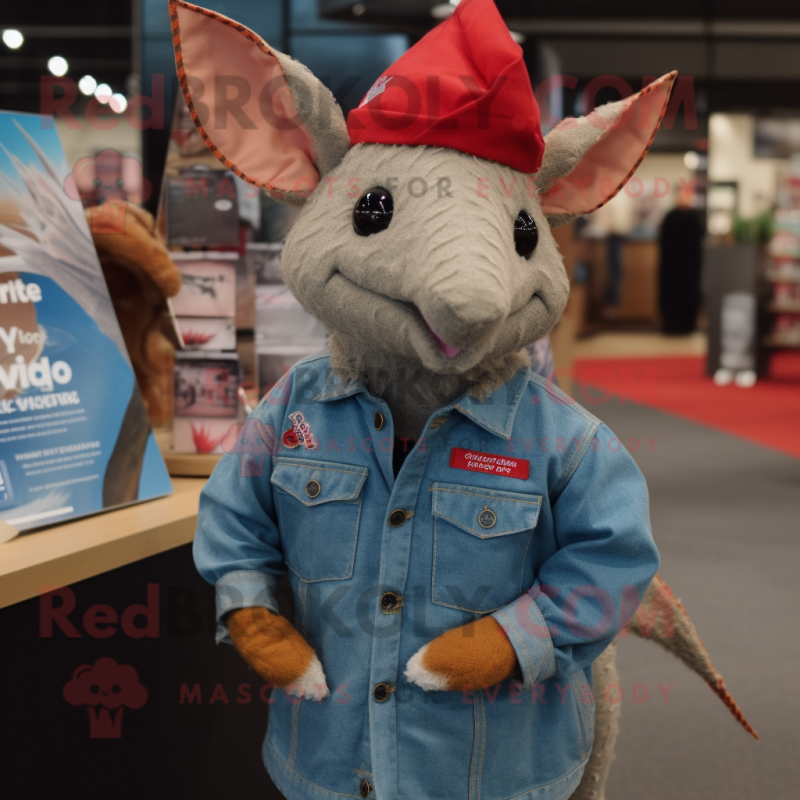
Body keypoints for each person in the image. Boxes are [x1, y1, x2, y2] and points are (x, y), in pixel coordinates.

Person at [658, 185, 705, 334]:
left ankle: (688, 326)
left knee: (689, 295)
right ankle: (671, 325)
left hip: (691, 267)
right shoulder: (670, 216)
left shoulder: (695, 216)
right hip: (671, 267)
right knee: (671, 296)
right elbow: (663, 242)